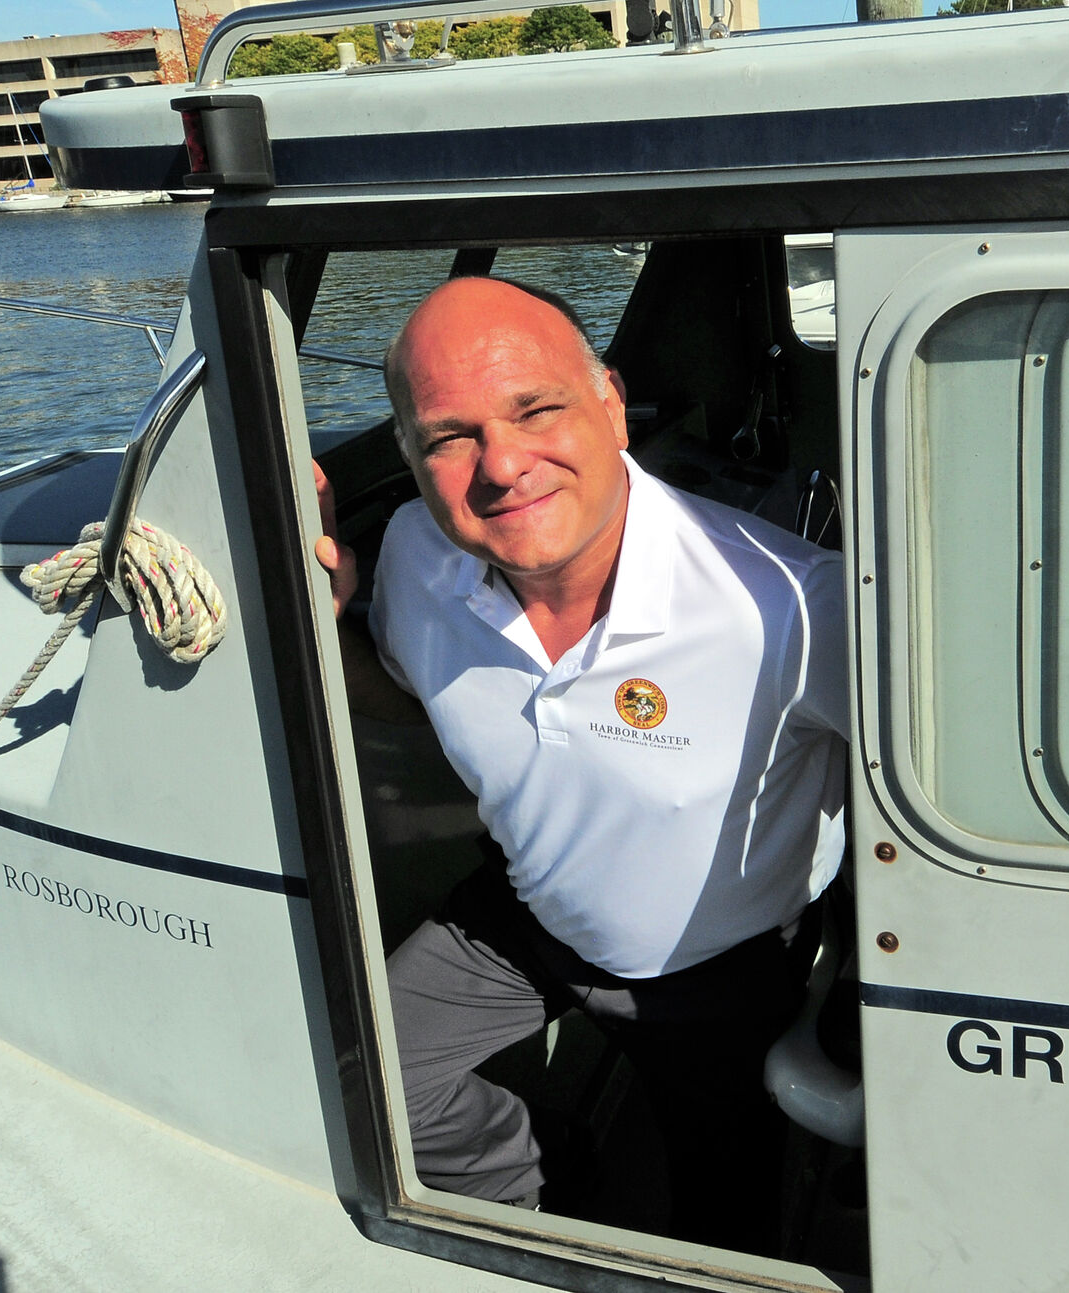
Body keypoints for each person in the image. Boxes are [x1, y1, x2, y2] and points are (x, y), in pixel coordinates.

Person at [311, 276, 848, 1248]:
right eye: (449, 435)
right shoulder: (411, 558)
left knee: (723, 1234)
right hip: (528, 905)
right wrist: (330, 622)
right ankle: (543, 1187)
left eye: (534, 410)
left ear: (608, 401)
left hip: (715, 971)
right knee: (361, 1076)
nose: (501, 464)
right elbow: (409, 698)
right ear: (408, 456)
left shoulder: (791, 608)